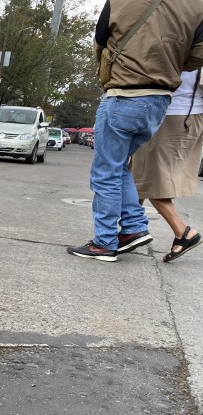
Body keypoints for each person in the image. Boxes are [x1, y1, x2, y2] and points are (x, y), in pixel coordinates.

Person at [67, 0, 203, 262]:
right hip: (160, 101)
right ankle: (133, 228)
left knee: (105, 172)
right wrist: (168, 62)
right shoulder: (196, 5)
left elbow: (100, 41)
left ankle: (105, 242)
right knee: (120, 168)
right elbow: (198, 55)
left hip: (125, 93)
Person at [132, 69, 203, 262]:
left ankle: (183, 231)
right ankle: (131, 230)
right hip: (168, 112)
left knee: (151, 179)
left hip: (177, 114)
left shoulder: (188, 41)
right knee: (136, 174)